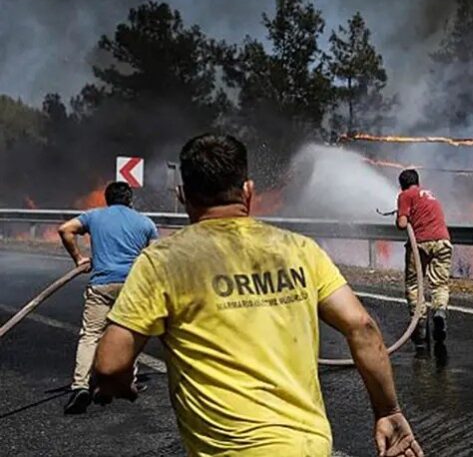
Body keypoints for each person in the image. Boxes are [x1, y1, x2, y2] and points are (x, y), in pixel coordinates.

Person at [92, 134, 422, 457]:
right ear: (248, 191)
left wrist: (118, 385)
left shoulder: (161, 262)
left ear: (182, 195)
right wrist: (387, 410)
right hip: (310, 447)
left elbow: (109, 365)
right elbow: (362, 327)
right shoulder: (300, 249)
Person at [57, 181, 158, 414]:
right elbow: (154, 256)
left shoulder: (94, 216)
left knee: (91, 335)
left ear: (107, 199)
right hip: (132, 286)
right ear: (130, 200)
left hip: (101, 284)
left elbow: (65, 230)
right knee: (130, 332)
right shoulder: (145, 222)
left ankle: (81, 386)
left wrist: (78, 258)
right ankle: (126, 383)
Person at [396, 169, 452, 349]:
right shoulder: (430, 195)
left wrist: (399, 219)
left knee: (414, 284)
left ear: (402, 184)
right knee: (440, 284)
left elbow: (403, 224)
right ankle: (440, 311)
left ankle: (420, 326)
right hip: (443, 241)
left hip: (420, 243)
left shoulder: (405, 195)